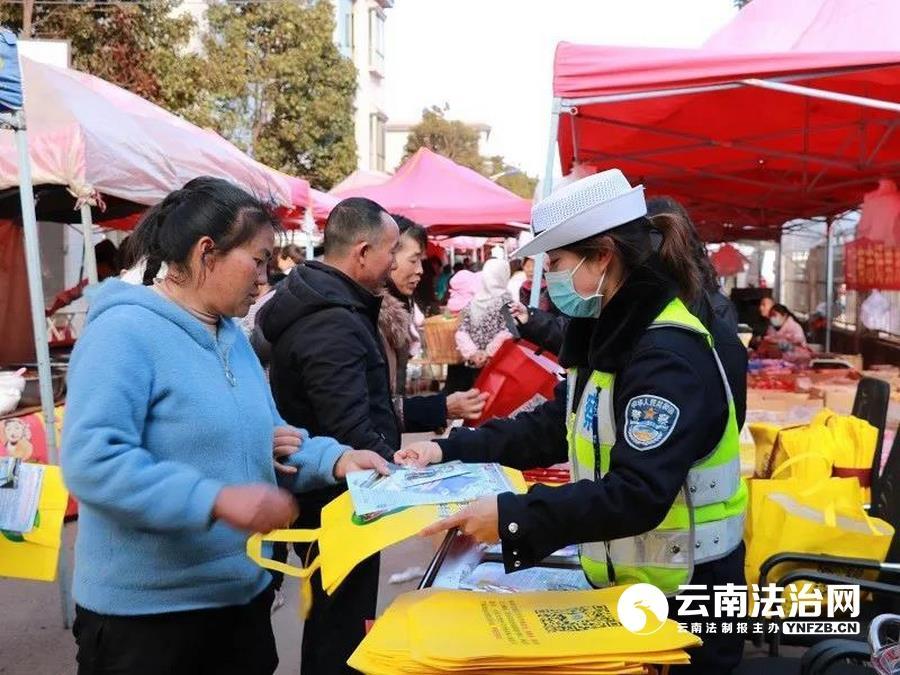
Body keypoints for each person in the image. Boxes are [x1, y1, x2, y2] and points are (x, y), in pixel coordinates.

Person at [398, 169, 747, 674]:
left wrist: (512, 517)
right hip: (639, 589)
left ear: (603, 256)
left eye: (557, 263)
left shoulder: (664, 353)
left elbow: (637, 492)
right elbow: (554, 426)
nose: (551, 278)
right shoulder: (611, 333)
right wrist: (449, 450)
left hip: (693, 597)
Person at [61, 177, 386, 675]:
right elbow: (93, 461)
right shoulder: (123, 333)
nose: (265, 278)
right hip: (150, 622)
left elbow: (271, 435)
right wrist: (216, 500)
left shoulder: (231, 336)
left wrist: (335, 459)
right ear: (207, 252)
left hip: (240, 602)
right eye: (257, 261)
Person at [258, 197, 400, 675]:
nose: (396, 264)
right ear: (362, 252)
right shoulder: (330, 320)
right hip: (339, 499)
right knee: (339, 629)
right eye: (392, 251)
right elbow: (350, 428)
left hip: (335, 490)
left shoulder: (331, 304)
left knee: (335, 619)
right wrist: (411, 482)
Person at [379, 215, 487, 428]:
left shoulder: (393, 311)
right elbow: (367, 411)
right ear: (386, 255)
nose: (420, 269)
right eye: (413, 260)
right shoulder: (363, 316)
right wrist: (441, 408)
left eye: (422, 261)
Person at [445, 258, 513, 394]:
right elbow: (509, 331)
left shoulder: (474, 301)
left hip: (475, 363)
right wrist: (487, 353)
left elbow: (461, 332)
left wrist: (474, 353)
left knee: (477, 397)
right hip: (498, 363)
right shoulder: (506, 300)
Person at [45, 239, 119, 316]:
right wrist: (52, 310)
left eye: (95, 264)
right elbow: (69, 295)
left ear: (105, 264)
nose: (94, 268)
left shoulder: (122, 280)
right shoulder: (94, 280)